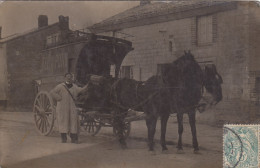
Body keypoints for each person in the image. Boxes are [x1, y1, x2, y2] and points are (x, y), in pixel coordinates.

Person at [50, 73, 87, 144]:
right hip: (62, 107)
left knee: (73, 122)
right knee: (63, 122)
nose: (69, 78)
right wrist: (58, 98)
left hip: (72, 107)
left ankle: (74, 139)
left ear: (71, 78)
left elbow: (80, 90)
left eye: (70, 77)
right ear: (65, 78)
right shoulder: (60, 86)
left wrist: (87, 86)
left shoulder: (74, 86)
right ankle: (64, 138)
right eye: (67, 77)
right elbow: (52, 92)